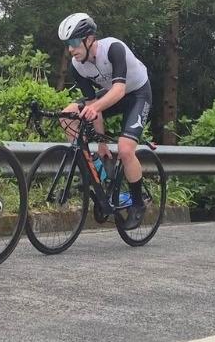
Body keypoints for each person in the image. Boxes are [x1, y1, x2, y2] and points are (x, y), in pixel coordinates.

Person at [57, 12, 153, 230]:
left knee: (126, 149)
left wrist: (94, 108)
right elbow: (92, 103)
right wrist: (100, 143)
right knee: (68, 115)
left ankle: (138, 204)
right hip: (111, 95)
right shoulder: (77, 66)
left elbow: (119, 90)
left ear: (89, 39)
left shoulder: (113, 48)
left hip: (137, 94)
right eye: (67, 44)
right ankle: (96, 168)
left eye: (73, 42)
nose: (71, 49)